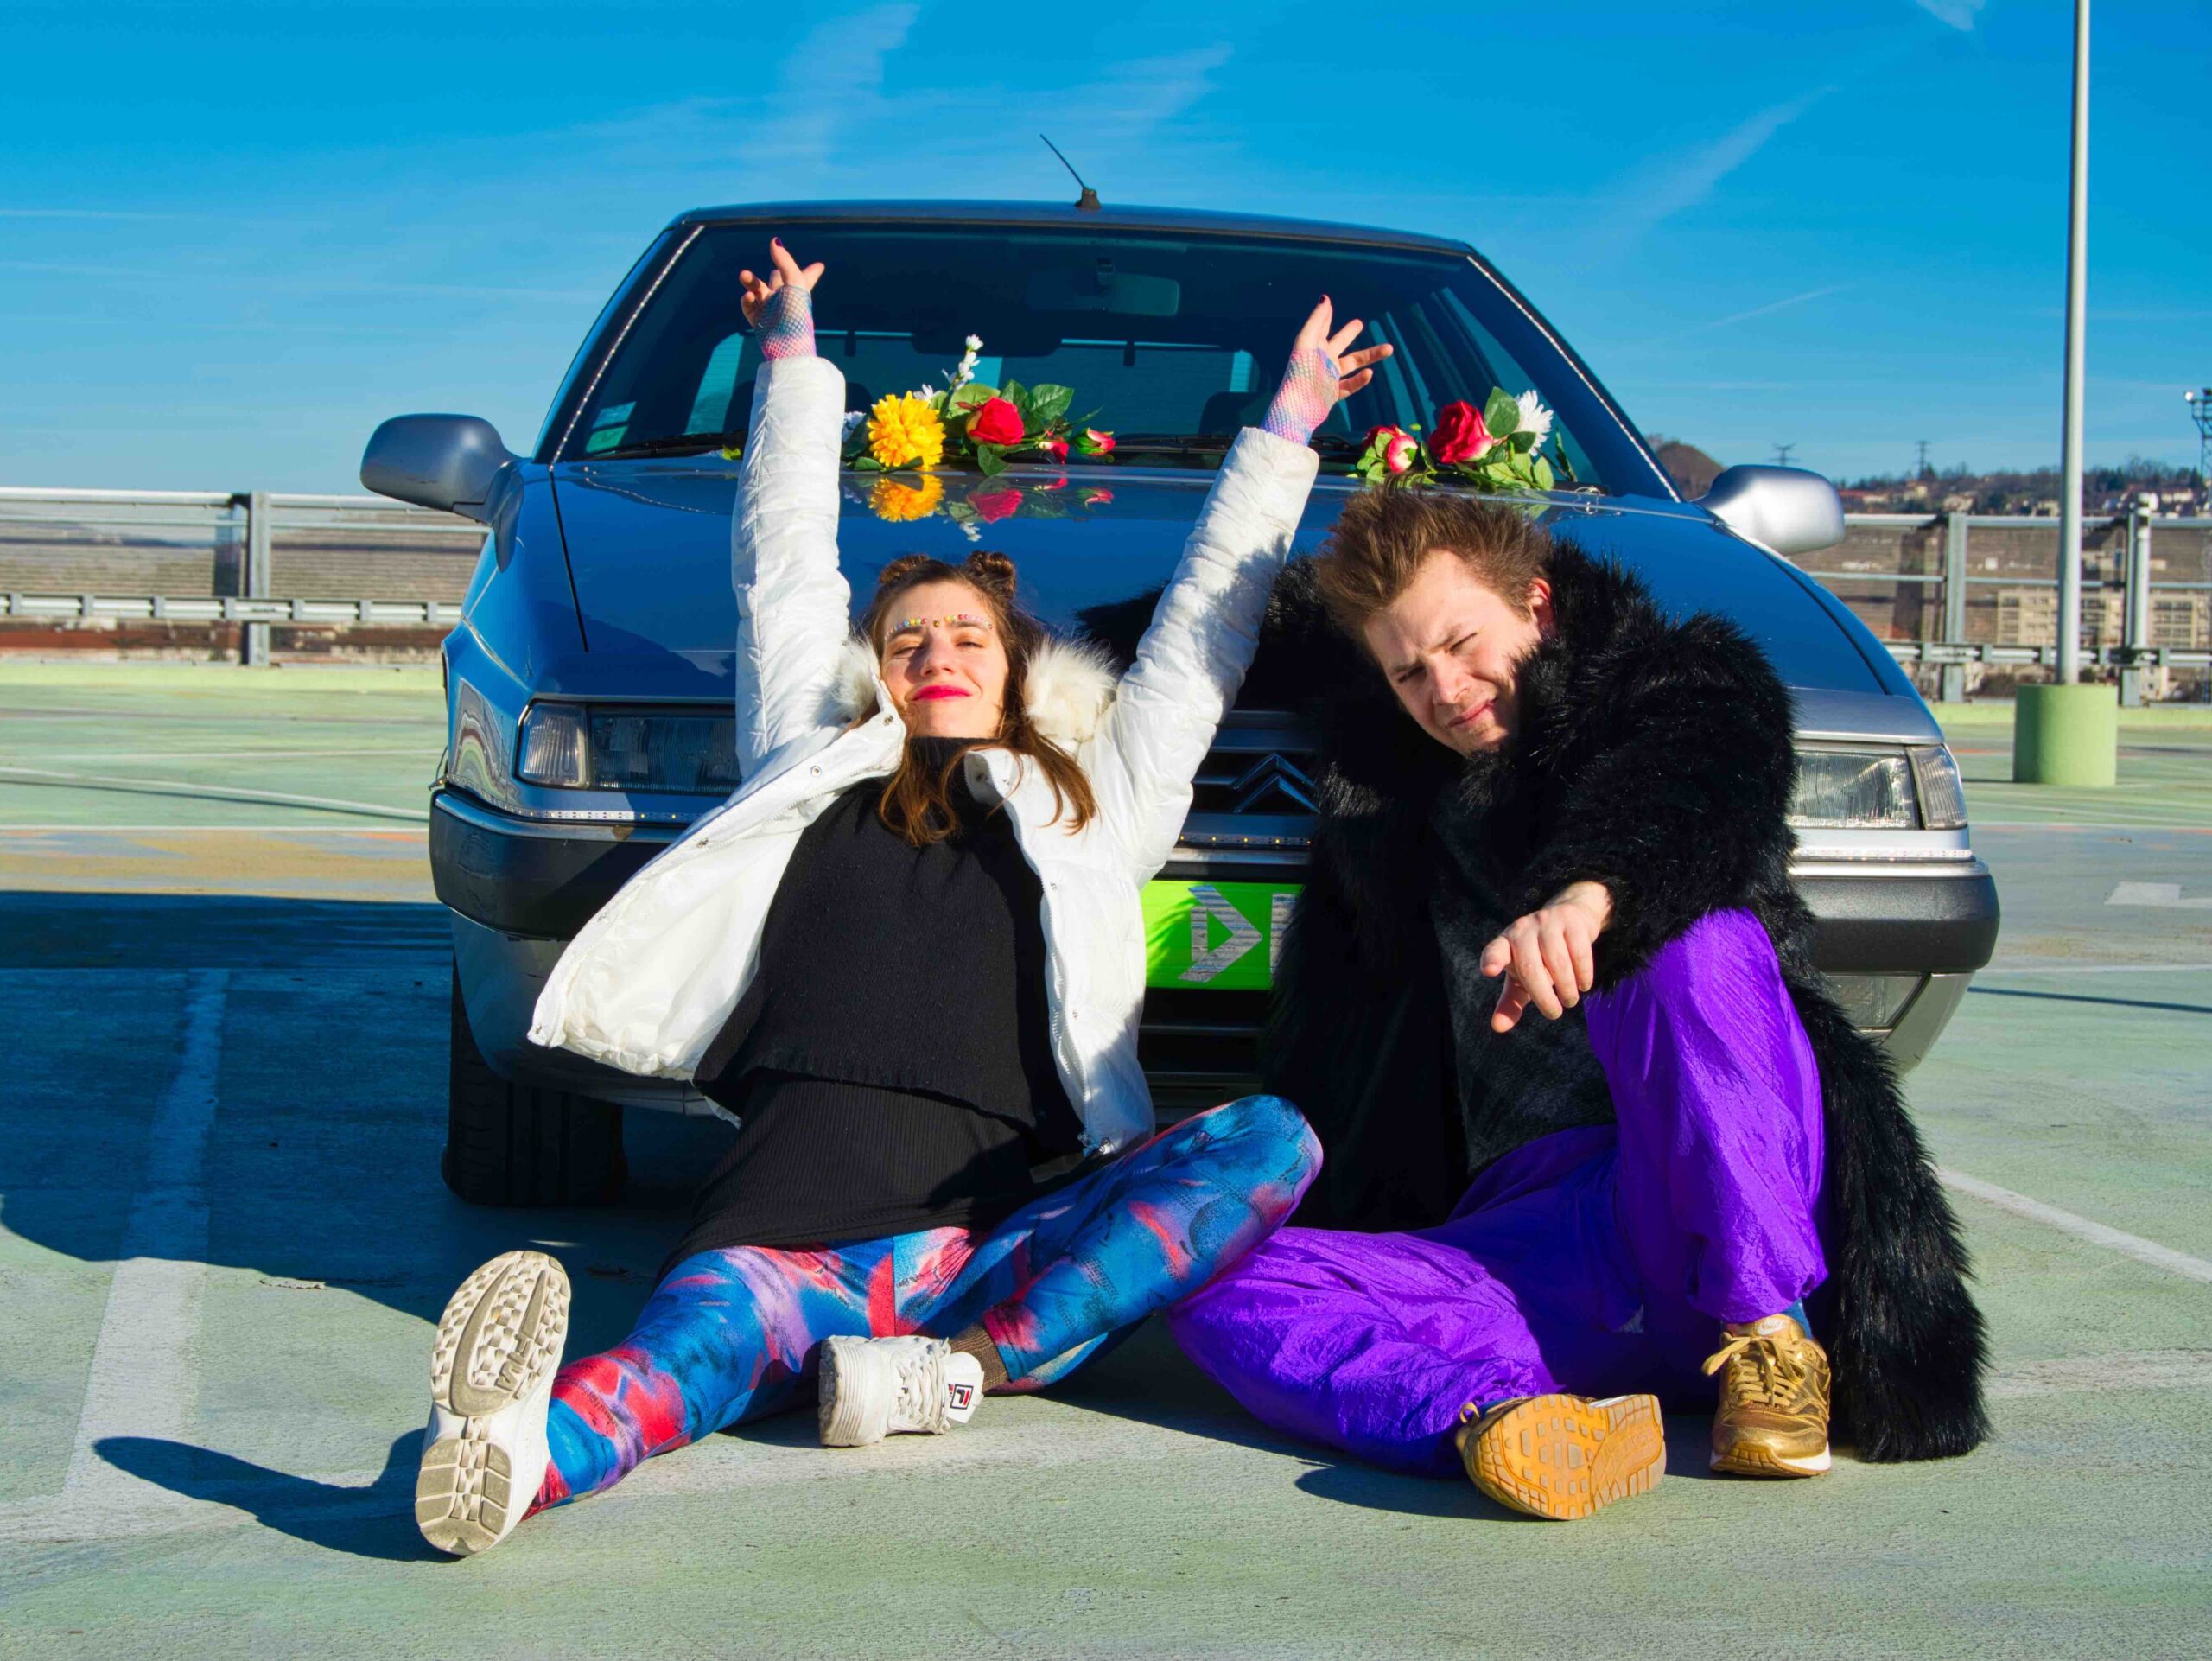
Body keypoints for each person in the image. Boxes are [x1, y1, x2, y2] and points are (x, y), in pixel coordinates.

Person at [411, 239, 1392, 1556]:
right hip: (780, 1241)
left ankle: (957, 1372)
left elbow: (1202, 637)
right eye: (908, 638)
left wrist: (1285, 430)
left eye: (967, 635)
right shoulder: (805, 767)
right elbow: (781, 568)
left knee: (1272, 1140)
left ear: (1018, 668)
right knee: (677, 1366)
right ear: (875, 669)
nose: (937, 651)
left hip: (991, 1251)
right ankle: (519, 1455)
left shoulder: (1092, 807)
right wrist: (791, 361)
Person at [1166, 489, 1989, 1519]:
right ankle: (1501, 1419)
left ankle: (1767, 1343)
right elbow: (1201, 626)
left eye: (1462, 644)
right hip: (1543, 1237)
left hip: (1730, 1180)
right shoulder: (1401, 779)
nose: (1444, 689)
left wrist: (1597, 892)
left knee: (1686, 940)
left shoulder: (1668, 680)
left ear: (1538, 605)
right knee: (1209, 1274)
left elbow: (1698, 772)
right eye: (1409, 672)